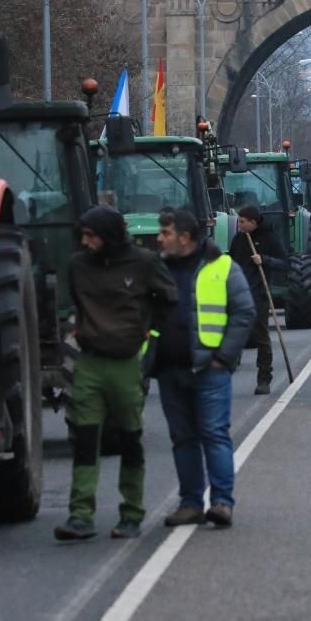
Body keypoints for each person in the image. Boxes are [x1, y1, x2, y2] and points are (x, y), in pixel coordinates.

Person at [55, 205, 177, 542]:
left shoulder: (143, 262)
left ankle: (131, 514)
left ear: (108, 235)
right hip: (90, 363)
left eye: (91, 235)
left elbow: (168, 299)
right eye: (82, 235)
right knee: (85, 438)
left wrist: (149, 334)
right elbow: (72, 303)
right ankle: (80, 515)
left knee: (129, 439)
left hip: (126, 362)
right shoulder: (77, 266)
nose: (84, 241)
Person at [150, 207, 255, 528]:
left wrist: (223, 357)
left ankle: (222, 502)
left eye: (165, 233)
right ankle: (191, 503)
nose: (158, 238)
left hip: (210, 370)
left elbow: (244, 313)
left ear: (184, 237)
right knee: (183, 439)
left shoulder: (222, 267)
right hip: (170, 369)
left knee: (213, 434)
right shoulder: (156, 269)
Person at [228, 205, 288, 394]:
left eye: (242, 222)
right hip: (238, 295)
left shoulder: (269, 238)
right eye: (239, 221)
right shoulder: (238, 240)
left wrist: (264, 260)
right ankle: (228, 367)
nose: (239, 225)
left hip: (259, 294)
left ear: (253, 222)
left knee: (261, 337)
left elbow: (285, 263)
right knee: (233, 333)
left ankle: (264, 378)